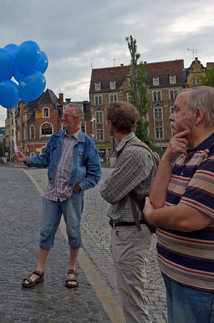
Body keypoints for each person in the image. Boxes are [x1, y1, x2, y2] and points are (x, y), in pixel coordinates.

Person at [144, 86, 214, 322]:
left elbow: (189, 217)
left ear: (198, 115)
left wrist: (152, 217)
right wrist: (165, 160)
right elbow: (155, 200)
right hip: (175, 274)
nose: (170, 116)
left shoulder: (211, 156)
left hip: (201, 288)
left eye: (176, 110)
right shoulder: (184, 151)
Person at [13, 105, 101, 288]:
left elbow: (95, 174)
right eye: (63, 115)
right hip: (52, 193)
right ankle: (39, 270)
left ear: (77, 119)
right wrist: (26, 160)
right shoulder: (56, 138)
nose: (63, 119)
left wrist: (80, 186)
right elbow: (45, 159)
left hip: (72, 195)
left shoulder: (87, 143)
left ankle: (72, 269)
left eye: (67, 116)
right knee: (46, 231)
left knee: (73, 232)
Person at [99, 101, 155, 322]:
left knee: (133, 300)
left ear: (111, 124)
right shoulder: (131, 150)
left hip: (132, 233)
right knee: (130, 295)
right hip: (129, 231)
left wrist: (110, 183)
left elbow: (109, 192)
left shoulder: (133, 153)